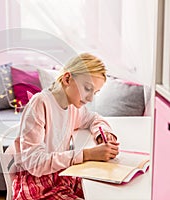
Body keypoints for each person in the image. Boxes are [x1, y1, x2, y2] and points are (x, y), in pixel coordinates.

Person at [12, 53, 119, 200]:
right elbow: (34, 163)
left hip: (61, 173)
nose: (90, 98)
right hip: (37, 184)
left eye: (95, 93)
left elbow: (93, 118)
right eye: (87, 88)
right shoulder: (41, 103)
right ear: (67, 78)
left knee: (104, 190)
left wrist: (103, 133)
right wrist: (87, 154)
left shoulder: (73, 105)